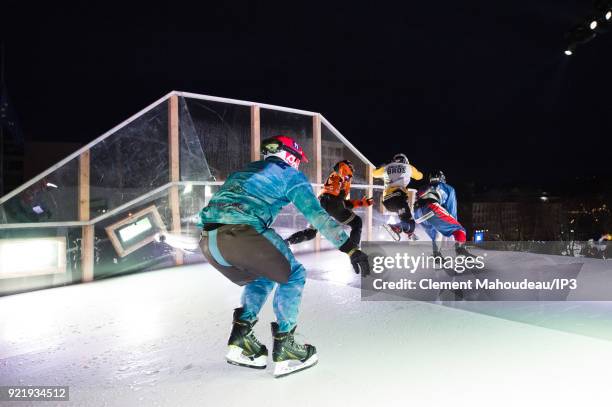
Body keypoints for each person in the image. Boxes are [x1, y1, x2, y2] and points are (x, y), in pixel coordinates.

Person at [198, 135, 370, 377]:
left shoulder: (245, 171)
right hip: (244, 232)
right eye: (299, 159)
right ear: (290, 155)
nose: (299, 165)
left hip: (210, 241)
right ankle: (286, 346)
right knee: (294, 275)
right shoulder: (290, 175)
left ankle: (240, 337)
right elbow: (316, 216)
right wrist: (350, 247)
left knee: (264, 275)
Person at [285, 160, 373, 248]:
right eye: (351, 168)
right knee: (357, 222)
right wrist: (345, 175)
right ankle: (354, 248)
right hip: (333, 203)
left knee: (311, 232)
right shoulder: (343, 175)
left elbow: (345, 203)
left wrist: (361, 203)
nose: (352, 173)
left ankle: (287, 241)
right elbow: (342, 169)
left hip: (320, 202)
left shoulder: (335, 179)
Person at [414, 171, 474, 258]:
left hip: (417, 213)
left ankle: (437, 255)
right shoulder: (448, 188)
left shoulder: (423, 187)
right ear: (442, 178)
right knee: (459, 229)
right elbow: (451, 209)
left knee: (437, 232)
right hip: (431, 207)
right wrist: (453, 228)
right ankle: (460, 250)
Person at [373, 153, 423, 240]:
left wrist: (382, 166)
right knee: (409, 219)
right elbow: (420, 176)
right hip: (398, 198)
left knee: (404, 217)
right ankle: (404, 230)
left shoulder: (386, 167)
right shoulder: (408, 167)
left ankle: (403, 230)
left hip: (387, 201)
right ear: (405, 161)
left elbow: (374, 174)